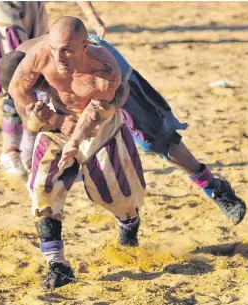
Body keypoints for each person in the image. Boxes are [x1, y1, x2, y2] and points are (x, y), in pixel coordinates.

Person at [0, 34, 247, 227]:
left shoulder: (72, 59)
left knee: (157, 138)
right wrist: (52, 120)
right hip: (73, 86)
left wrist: (86, 118)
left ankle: (214, 187)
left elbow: (113, 97)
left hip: (107, 75)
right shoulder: (20, 82)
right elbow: (32, 124)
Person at [8, 16, 146, 290]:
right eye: (55, 48)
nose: (59, 57)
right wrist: (39, 116)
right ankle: (57, 264)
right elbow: (17, 89)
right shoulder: (40, 55)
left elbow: (96, 114)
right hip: (58, 121)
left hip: (101, 126)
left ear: (84, 46)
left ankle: (128, 223)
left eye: (68, 50)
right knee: (42, 188)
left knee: (119, 196)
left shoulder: (105, 69)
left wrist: (75, 141)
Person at [0, 1, 108, 177]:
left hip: (32, 6)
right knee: (14, 72)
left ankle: (37, 149)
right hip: (2, 9)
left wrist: (92, 16)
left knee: (43, 70)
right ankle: (11, 149)